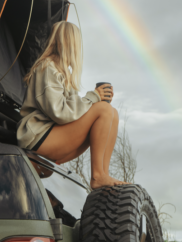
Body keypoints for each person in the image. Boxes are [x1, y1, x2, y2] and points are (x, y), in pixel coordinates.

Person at [16, 21, 127, 188]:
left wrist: (92, 100)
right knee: (103, 110)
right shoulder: (48, 68)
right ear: (69, 43)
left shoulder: (62, 72)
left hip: (50, 134)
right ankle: (98, 176)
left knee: (112, 114)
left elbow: (72, 112)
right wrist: (93, 97)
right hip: (37, 137)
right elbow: (60, 113)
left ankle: (103, 174)